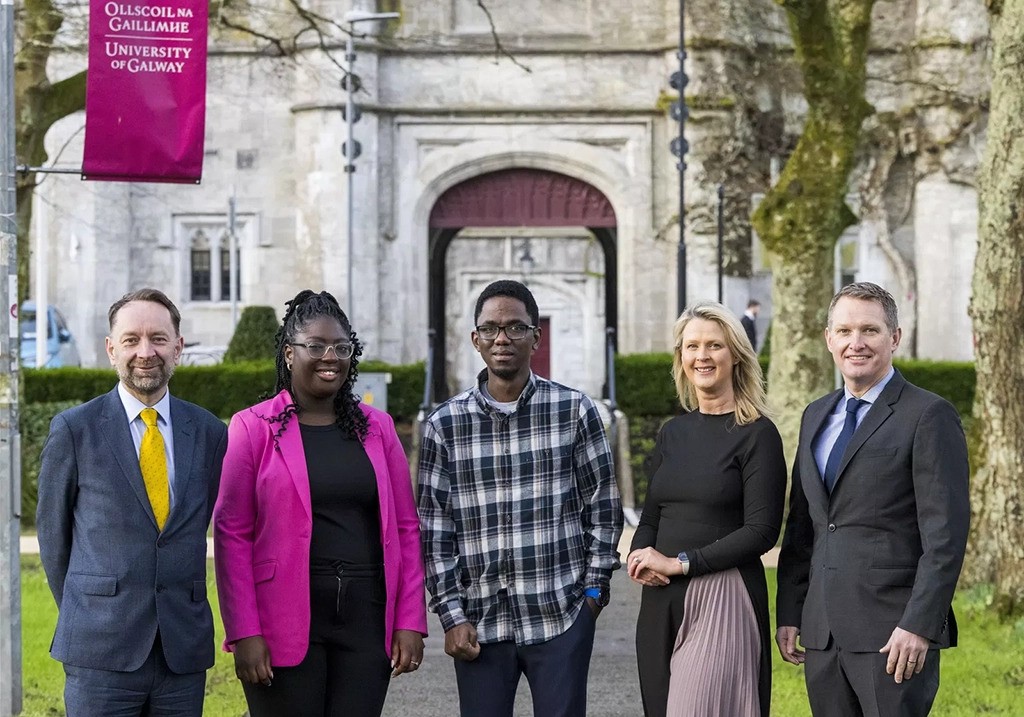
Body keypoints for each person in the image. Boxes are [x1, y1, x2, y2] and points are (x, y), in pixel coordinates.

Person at [213, 290, 426, 717]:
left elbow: (405, 527)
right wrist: (244, 632)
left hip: (366, 617)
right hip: (282, 620)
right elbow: (231, 533)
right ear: (290, 354)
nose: (330, 357)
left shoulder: (378, 429)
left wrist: (410, 620)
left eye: (341, 347)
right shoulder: (252, 428)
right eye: (315, 346)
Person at [418, 279, 623, 717]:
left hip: (560, 615)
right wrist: (452, 616)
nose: (502, 339)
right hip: (479, 626)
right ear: (475, 339)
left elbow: (604, 511)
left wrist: (592, 594)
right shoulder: (444, 425)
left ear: (536, 336)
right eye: (490, 329)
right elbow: (435, 531)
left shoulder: (574, 411)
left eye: (515, 327)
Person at [775, 282, 970, 716]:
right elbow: (803, 526)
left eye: (870, 330)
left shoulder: (928, 415)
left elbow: (946, 536)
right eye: (843, 331)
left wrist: (918, 625)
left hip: (893, 635)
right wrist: (790, 611)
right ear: (829, 339)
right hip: (822, 634)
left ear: (894, 337)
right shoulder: (814, 415)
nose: (855, 343)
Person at [36, 288, 228, 716]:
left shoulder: (210, 433)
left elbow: (204, 524)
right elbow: (53, 540)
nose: (146, 352)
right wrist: (93, 607)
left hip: (182, 652)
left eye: (159, 339)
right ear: (111, 349)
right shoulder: (74, 430)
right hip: (99, 650)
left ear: (178, 348)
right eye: (131, 339)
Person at [627, 301, 786, 717]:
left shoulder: (758, 435)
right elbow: (651, 514)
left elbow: (762, 532)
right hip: (660, 598)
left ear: (735, 355)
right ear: (681, 358)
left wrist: (681, 563)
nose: (702, 355)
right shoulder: (673, 433)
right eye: (692, 346)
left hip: (723, 593)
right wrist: (639, 556)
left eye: (714, 345)